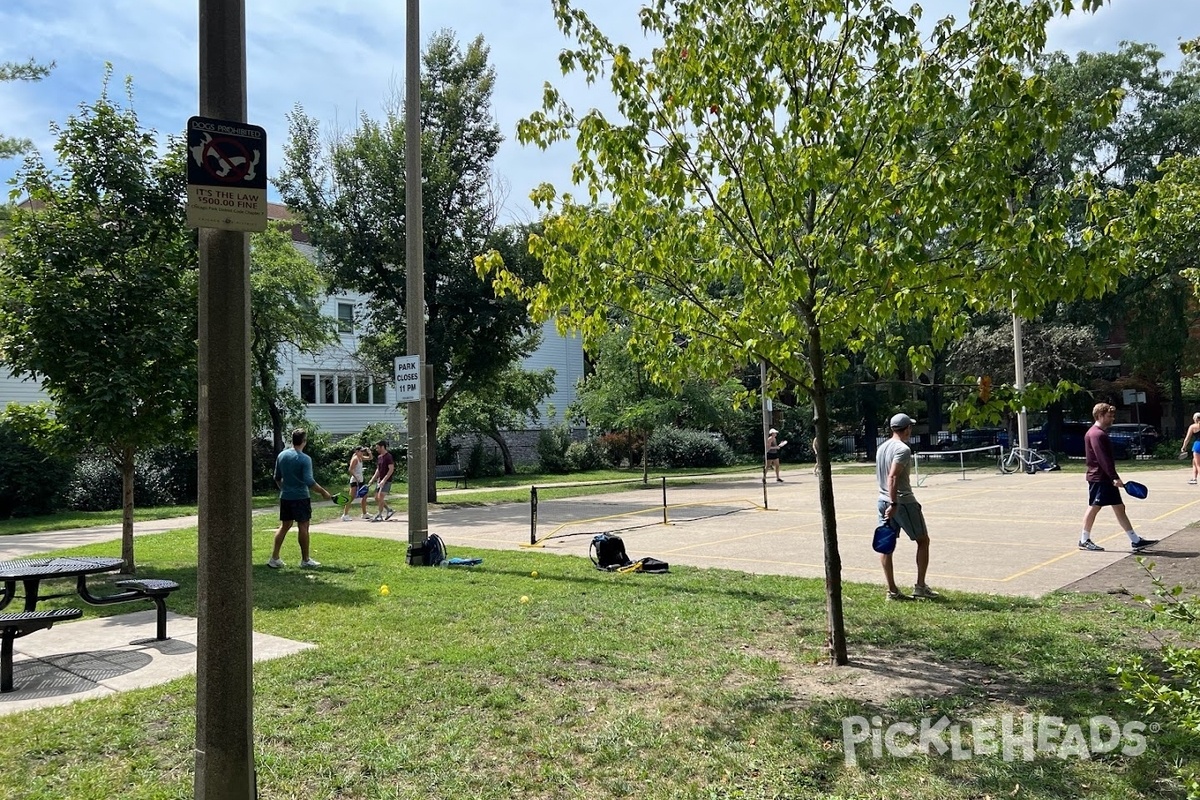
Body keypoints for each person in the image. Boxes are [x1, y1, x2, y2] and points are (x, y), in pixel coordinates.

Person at [876, 412, 938, 601]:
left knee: (886, 545)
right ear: (907, 429)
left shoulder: (882, 447)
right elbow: (893, 476)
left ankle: (892, 591)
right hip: (902, 502)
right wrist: (894, 503)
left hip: (882, 500)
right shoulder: (902, 449)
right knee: (923, 541)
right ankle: (920, 586)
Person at [1079, 402, 1158, 552]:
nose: (1112, 418)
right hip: (1099, 478)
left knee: (1119, 507)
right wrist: (1114, 477)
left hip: (1105, 478)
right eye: (1109, 416)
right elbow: (1102, 458)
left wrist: (1112, 477)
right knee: (1094, 507)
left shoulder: (1098, 433)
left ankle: (1135, 540)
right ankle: (1084, 540)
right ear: (1100, 416)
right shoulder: (1097, 434)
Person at [269, 428, 332, 569]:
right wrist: (323, 492)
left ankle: (274, 558)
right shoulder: (305, 459)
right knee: (303, 527)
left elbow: (277, 477)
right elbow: (309, 481)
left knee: (285, 526)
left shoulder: (282, 455)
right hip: (301, 498)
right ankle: (305, 560)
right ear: (304, 441)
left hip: (285, 497)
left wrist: (284, 489)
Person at [368, 439, 396, 522]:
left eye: (377, 448)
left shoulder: (388, 456)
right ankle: (389, 510)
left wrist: (384, 480)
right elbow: (378, 470)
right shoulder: (379, 457)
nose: (377, 450)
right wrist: (372, 480)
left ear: (382, 447)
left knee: (380, 497)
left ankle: (379, 515)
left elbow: (391, 469)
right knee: (377, 498)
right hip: (379, 480)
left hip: (386, 481)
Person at [341, 446, 371, 521]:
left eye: (363, 451)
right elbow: (350, 470)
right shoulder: (355, 459)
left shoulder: (361, 457)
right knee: (351, 497)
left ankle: (364, 514)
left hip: (361, 480)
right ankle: (345, 515)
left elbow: (370, 458)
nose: (362, 452)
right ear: (357, 452)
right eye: (361, 451)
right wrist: (356, 478)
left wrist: (369, 452)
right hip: (355, 480)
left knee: (365, 496)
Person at [1180, 412, 1200, 485]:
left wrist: (1183, 447)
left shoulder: (1193, 426)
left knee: (1198, 464)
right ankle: (1194, 478)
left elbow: (1187, 439)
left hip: (1198, 445)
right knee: (1194, 462)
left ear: (1195, 419)